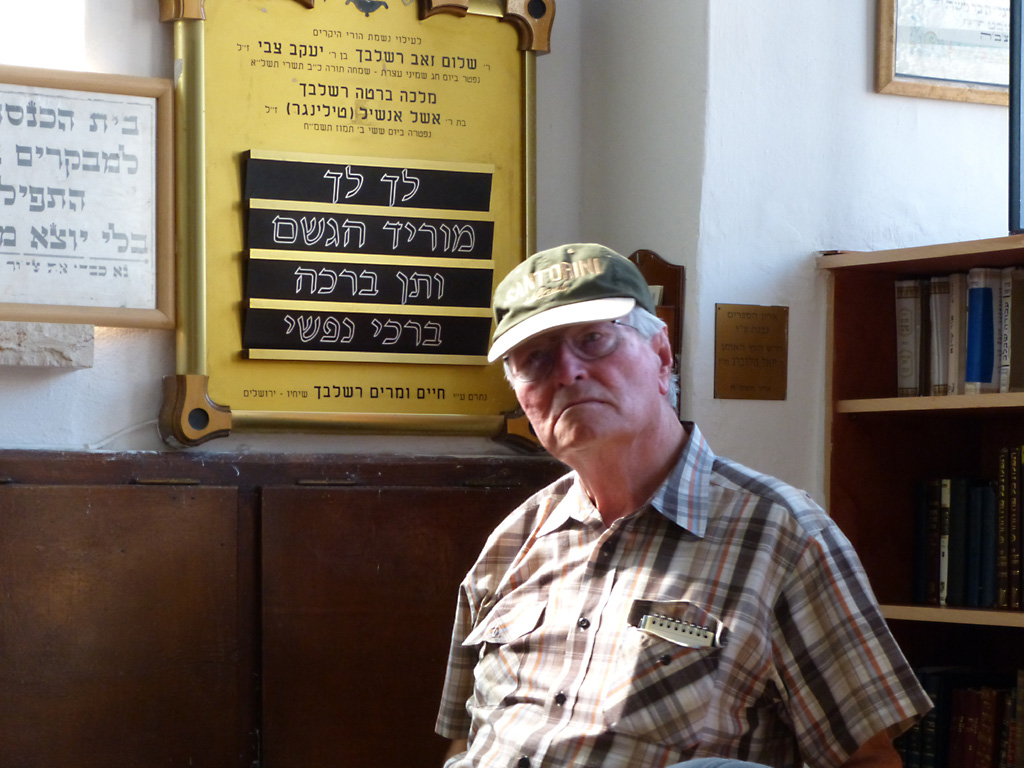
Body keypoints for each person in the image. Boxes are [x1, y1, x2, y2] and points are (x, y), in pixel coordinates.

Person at [435, 244, 931, 768]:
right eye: (534, 358)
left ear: (661, 355)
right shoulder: (514, 542)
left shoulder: (785, 538)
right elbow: (464, 740)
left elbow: (869, 760)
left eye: (593, 340)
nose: (566, 372)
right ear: (520, 395)